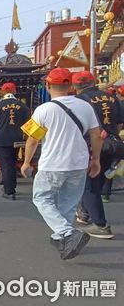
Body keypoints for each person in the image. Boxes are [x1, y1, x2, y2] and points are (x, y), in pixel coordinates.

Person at [21, 68, 102, 260]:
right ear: (71, 86)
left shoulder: (43, 110)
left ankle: (66, 232)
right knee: (68, 204)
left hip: (52, 163)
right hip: (78, 163)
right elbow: (96, 135)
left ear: (48, 85)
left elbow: (32, 140)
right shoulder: (85, 107)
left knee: (41, 198)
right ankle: (63, 238)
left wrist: (26, 162)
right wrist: (96, 160)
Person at [73, 71, 120, 239]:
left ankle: (101, 225)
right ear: (94, 81)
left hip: (92, 146)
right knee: (98, 181)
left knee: (88, 185)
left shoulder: (78, 101)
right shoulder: (111, 97)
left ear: (75, 86)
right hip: (114, 145)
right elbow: (120, 121)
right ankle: (85, 213)